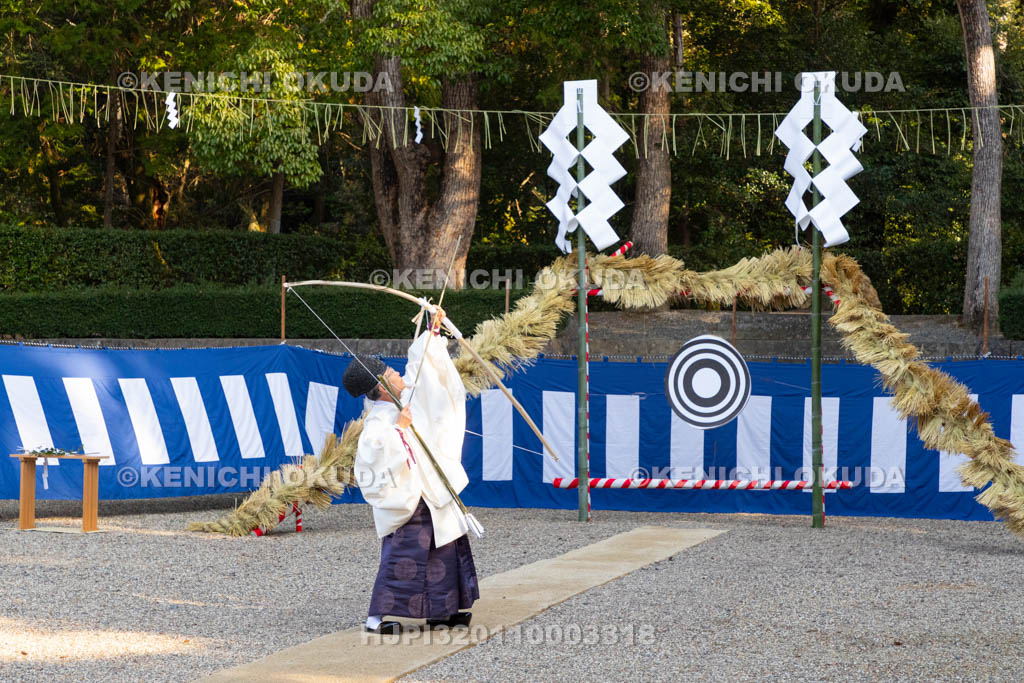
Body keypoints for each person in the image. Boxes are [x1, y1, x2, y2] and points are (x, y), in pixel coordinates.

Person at [342, 309, 479, 635]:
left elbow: (420, 371)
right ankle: (376, 618)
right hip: (407, 497)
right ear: (382, 386)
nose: (398, 374)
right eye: (391, 373)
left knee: (445, 546)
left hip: (428, 491)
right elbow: (374, 455)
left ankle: (442, 612)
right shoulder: (378, 420)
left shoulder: (401, 401)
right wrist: (399, 431)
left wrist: (432, 331)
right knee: (403, 554)